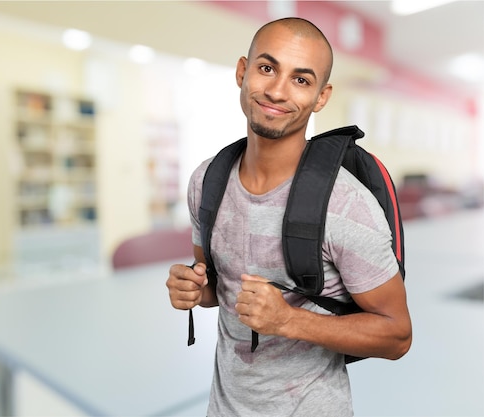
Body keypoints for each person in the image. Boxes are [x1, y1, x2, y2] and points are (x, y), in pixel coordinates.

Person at [166, 17, 412, 416]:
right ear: (242, 72)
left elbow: (397, 335)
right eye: (267, 68)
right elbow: (217, 287)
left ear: (321, 97)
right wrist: (193, 288)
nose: (278, 91)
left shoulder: (346, 206)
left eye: (301, 80)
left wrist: (287, 321)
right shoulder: (206, 181)